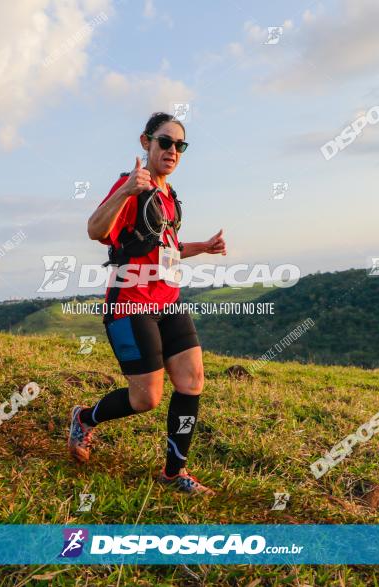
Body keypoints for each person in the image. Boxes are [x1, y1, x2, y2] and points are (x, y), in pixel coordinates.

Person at [71, 112, 226, 495]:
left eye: (180, 145)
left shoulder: (169, 199)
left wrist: (202, 247)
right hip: (130, 305)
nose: (172, 150)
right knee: (146, 399)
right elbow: (95, 230)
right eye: (165, 142)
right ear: (146, 142)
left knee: (192, 381)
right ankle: (84, 418)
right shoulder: (131, 185)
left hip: (168, 302)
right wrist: (126, 190)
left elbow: (165, 250)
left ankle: (174, 475)